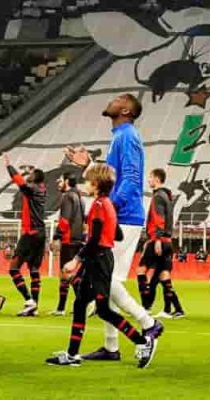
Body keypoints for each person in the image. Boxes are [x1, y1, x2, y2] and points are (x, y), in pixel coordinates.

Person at [72, 94, 162, 362]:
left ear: (124, 109)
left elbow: (132, 179)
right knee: (110, 283)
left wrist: (108, 207)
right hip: (122, 215)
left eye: (117, 99)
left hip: (123, 217)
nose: (110, 101)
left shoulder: (127, 136)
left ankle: (148, 324)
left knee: (107, 281)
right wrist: (89, 165)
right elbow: (114, 179)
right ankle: (111, 347)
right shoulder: (121, 136)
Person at [46, 163, 158, 368]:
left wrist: (75, 260)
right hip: (101, 258)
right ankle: (72, 354)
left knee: (104, 310)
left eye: (88, 181)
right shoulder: (107, 204)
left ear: (96, 184)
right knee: (80, 303)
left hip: (98, 260)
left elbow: (95, 239)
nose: (85, 184)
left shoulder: (98, 206)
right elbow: (118, 234)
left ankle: (142, 342)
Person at [2, 152, 47, 317]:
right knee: (34, 269)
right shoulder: (42, 189)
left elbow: (20, 182)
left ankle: (29, 301)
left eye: (31, 174)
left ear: (35, 179)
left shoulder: (32, 190)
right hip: (41, 233)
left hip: (30, 233)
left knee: (13, 269)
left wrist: (9, 166)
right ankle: (34, 306)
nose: (29, 176)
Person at [140, 169, 183, 319]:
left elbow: (159, 218)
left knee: (141, 270)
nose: (148, 180)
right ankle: (176, 309)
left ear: (157, 179)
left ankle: (145, 307)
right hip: (167, 241)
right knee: (163, 276)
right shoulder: (167, 196)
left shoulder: (158, 196)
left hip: (158, 240)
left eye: (150, 177)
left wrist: (156, 239)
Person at [50, 173, 85, 316]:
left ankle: (68, 306)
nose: (58, 182)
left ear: (66, 182)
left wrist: (56, 236)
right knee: (69, 274)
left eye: (60, 180)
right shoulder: (80, 197)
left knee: (65, 273)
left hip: (69, 239)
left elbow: (65, 220)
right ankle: (74, 305)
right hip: (78, 239)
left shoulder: (67, 197)